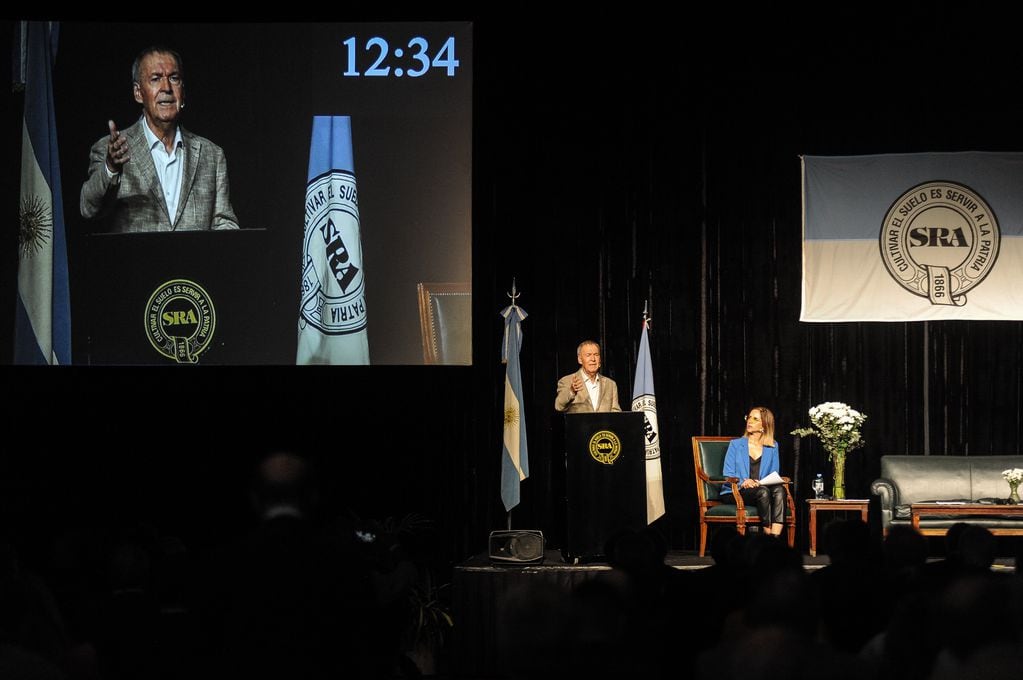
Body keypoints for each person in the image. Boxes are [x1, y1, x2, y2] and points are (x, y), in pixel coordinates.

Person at [80, 46, 240, 232]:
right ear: (138, 93)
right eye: (155, 79)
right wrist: (110, 168)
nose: (166, 88)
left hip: (197, 262)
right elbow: (88, 209)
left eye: (174, 78)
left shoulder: (212, 155)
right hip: (137, 261)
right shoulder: (111, 149)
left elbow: (224, 223)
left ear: (183, 91)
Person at [720, 406, 787, 537]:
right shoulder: (736, 444)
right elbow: (728, 473)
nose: (749, 421)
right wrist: (744, 482)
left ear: (764, 424)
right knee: (763, 492)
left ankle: (775, 537)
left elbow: (774, 473)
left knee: (780, 490)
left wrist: (759, 482)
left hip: (761, 487)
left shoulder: (772, 446)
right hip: (736, 491)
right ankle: (769, 539)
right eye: (749, 417)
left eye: (755, 419)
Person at [554, 340, 621, 413]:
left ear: (600, 360)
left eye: (596, 355)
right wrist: (571, 392)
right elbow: (559, 406)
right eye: (588, 355)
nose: (593, 359)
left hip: (604, 425)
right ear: (580, 360)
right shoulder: (567, 381)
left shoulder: (610, 384)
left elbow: (615, 412)